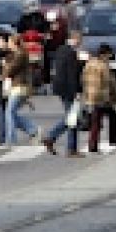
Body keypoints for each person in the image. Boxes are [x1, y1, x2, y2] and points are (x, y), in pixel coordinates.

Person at [43, 28, 84, 157]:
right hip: (68, 89)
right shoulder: (71, 53)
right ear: (75, 38)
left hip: (60, 87)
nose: (81, 43)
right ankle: (67, 146)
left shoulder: (61, 49)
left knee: (71, 118)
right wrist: (77, 91)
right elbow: (71, 75)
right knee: (72, 119)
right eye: (80, 40)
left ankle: (53, 139)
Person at [3, 33, 40, 146]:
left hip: (20, 87)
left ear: (15, 43)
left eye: (9, 42)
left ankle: (11, 139)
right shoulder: (17, 54)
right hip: (18, 87)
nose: (8, 45)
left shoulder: (20, 55)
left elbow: (11, 70)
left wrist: (5, 66)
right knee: (11, 113)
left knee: (10, 112)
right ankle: (33, 129)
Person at [83, 43, 116, 154]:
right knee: (103, 120)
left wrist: (86, 94)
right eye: (109, 55)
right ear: (105, 54)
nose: (110, 57)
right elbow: (110, 82)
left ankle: (94, 144)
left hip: (91, 96)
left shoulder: (89, 64)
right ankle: (101, 143)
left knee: (97, 121)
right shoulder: (103, 66)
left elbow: (84, 79)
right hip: (101, 97)